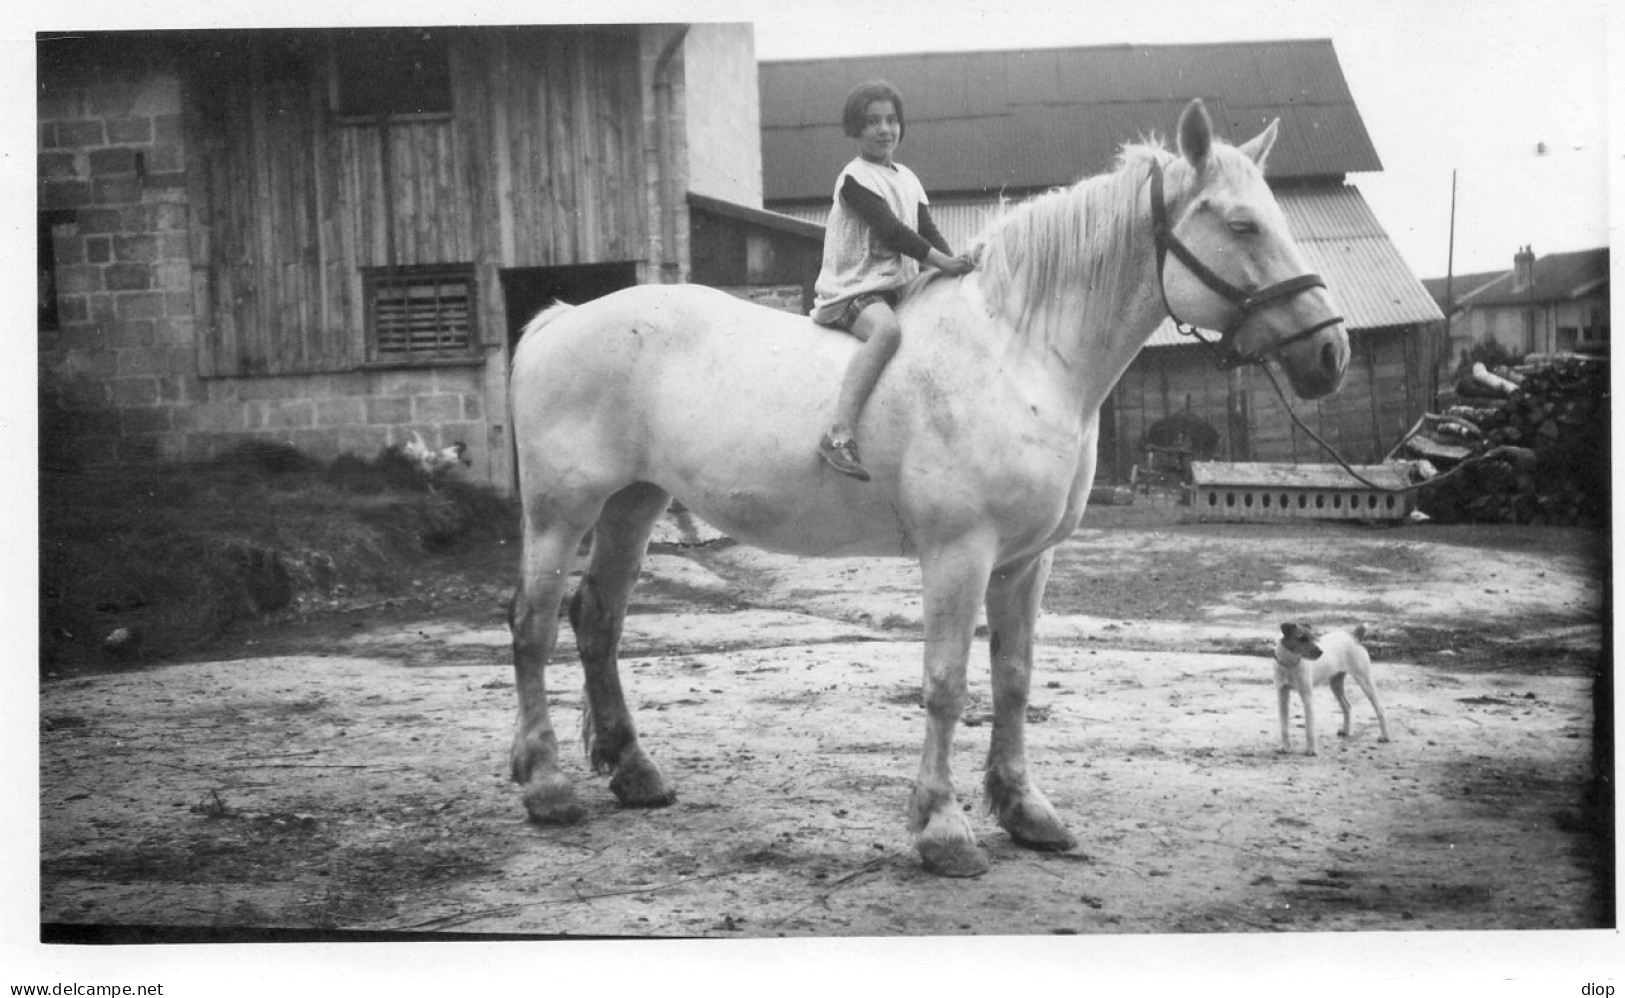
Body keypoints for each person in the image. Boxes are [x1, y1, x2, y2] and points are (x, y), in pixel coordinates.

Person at [811, 79, 976, 482]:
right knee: (886, 333)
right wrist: (941, 262)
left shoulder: (908, 178)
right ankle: (838, 433)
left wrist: (955, 265)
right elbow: (894, 234)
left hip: (895, 288)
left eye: (891, 120)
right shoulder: (855, 179)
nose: (884, 130)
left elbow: (926, 230)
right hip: (855, 290)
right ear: (855, 130)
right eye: (871, 122)